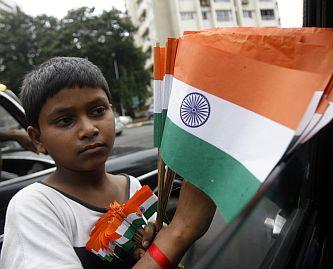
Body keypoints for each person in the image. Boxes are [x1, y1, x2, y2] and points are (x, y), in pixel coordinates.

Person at [0, 57, 216, 269]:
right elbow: (173, 241)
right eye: (65, 120)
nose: (89, 129)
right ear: (37, 138)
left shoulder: (132, 186)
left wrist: (160, 243)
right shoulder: (35, 207)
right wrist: (180, 231)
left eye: (98, 111)